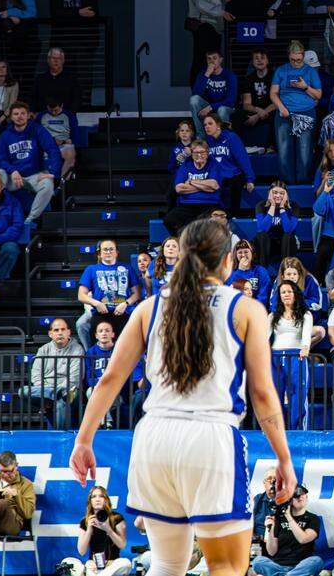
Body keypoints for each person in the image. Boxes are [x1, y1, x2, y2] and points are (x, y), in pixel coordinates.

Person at [70, 219, 297, 576]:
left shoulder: (149, 307)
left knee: (167, 565)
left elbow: (110, 379)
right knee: (226, 565)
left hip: (153, 439)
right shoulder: (246, 309)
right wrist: (283, 458)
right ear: (227, 261)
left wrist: (84, 440)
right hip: (209, 438)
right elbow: (263, 394)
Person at [0, 101, 62, 224]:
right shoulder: (5, 135)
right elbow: (1, 159)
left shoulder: (38, 130)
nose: (19, 116)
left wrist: (53, 173)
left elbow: (53, 150)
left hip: (34, 176)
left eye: (23, 113)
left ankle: (30, 219)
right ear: (11, 117)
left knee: (47, 184)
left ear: (28, 115)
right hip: (14, 177)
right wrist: (12, 171)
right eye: (16, 114)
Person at [271, 41, 323, 185]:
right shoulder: (281, 70)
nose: (295, 63)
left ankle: (303, 184)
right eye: (293, 60)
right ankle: (286, 184)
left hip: (306, 113)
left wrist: (305, 87)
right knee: (284, 150)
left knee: (305, 150)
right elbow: (273, 93)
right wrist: (281, 108)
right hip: (285, 114)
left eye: (299, 60)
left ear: (303, 56)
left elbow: (318, 95)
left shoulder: (310, 71)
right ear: (289, 56)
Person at [18, 318, 84, 429]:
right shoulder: (43, 350)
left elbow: (75, 377)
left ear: (68, 332)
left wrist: (59, 391)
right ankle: (54, 395)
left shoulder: (77, 349)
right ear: (50, 334)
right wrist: (49, 392)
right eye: (56, 330)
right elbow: (36, 375)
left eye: (63, 329)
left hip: (69, 390)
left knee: (63, 398)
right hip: (46, 390)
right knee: (23, 391)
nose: (60, 333)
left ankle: (59, 435)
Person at [49, 0, 100, 105]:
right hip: (63, 41)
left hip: (85, 41)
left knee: (85, 76)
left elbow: (91, 12)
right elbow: (56, 13)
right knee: (64, 74)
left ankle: (85, 105)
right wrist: (78, 12)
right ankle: (65, 105)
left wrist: (68, 15)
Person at [76, 239, 140, 347]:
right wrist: (97, 303)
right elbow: (81, 295)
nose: (108, 252)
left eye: (111, 249)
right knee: (100, 347)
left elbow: (137, 293)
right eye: (105, 249)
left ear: (117, 252)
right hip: (101, 313)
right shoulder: (91, 269)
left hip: (122, 313)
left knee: (123, 347)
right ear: (99, 253)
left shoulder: (127, 268)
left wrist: (126, 304)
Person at [270, 280, 317, 426]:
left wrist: (305, 347)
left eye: (289, 291)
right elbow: (264, 338)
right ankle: (276, 428)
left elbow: (306, 336)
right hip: (275, 357)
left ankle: (297, 429)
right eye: (283, 292)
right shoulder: (272, 315)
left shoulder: (305, 314)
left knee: (298, 393)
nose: (286, 294)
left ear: (295, 293)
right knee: (275, 393)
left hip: (297, 356)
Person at [59, 485, 132, 576]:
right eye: (94, 496)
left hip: (113, 566)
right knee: (67, 562)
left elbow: (122, 545)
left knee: (126, 563)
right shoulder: (85, 521)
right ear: (90, 501)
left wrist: (108, 529)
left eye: (101, 496)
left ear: (106, 500)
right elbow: (81, 551)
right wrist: (89, 529)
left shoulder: (116, 518)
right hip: (93, 565)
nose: (97, 499)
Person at [253, 486, 322, 576]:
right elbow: (271, 551)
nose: (300, 497)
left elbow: (303, 539)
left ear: (306, 497)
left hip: (302, 565)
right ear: (289, 500)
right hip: (278, 565)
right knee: (257, 561)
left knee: (316, 561)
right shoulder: (279, 519)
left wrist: (288, 516)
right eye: (296, 496)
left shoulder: (312, 518)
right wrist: (271, 529)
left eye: (303, 495)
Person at [187, 0, 231, 84]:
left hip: (213, 28)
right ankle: (198, 91)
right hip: (205, 26)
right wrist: (221, 12)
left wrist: (224, 1)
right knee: (203, 61)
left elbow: (211, 4)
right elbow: (201, 3)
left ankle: (207, 89)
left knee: (211, 62)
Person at [164, 141, 222, 236]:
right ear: (191, 153)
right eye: (196, 152)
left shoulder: (214, 165)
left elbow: (214, 185)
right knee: (168, 220)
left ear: (207, 153)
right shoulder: (186, 166)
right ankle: (183, 240)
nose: (199, 155)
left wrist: (191, 182)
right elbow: (179, 188)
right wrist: (204, 186)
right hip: (187, 205)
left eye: (202, 152)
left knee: (210, 224)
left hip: (209, 204)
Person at [202, 113, 255, 212]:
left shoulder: (231, 137)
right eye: (205, 125)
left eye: (210, 123)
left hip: (234, 175)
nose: (207, 127)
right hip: (218, 176)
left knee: (231, 188)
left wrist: (250, 179)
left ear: (218, 125)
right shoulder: (207, 141)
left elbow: (243, 159)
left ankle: (232, 215)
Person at [191, 51, 238, 139]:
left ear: (220, 60)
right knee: (194, 100)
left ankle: (223, 139)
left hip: (226, 107)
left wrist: (211, 107)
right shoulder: (203, 74)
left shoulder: (230, 76)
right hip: (208, 106)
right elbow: (196, 94)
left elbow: (231, 101)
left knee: (222, 110)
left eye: (214, 58)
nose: (211, 61)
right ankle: (201, 138)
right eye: (209, 59)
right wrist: (207, 75)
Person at [236, 49, 276, 150]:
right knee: (237, 115)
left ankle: (272, 147)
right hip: (255, 109)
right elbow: (246, 104)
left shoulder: (274, 77)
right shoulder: (249, 78)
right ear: (253, 62)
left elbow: (277, 102)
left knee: (278, 115)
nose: (259, 61)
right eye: (256, 58)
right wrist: (258, 111)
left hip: (270, 109)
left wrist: (258, 116)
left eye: (262, 58)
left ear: (267, 61)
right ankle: (238, 147)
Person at [254, 183, 299, 269]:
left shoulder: (293, 206)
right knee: (261, 235)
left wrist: (282, 207)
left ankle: (287, 270)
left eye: (282, 193)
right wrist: (273, 206)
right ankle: (262, 271)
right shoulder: (261, 206)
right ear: (269, 194)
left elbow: (288, 229)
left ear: (286, 195)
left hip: (286, 244)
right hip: (268, 244)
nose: (278, 196)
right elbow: (263, 228)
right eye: (275, 193)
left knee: (288, 235)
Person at [31, 47, 83, 114]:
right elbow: (32, 99)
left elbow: (77, 100)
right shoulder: (40, 79)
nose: (56, 61)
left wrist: (68, 113)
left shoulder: (72, 79)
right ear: (48, 60)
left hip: (66, 117)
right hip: (44, 116)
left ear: (63, 60)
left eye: (59, 58)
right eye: (53, 58)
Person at [38, 96, 79, 177]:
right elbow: (36, 133)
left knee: (71, 156)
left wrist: (68, 141)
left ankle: (63, 180)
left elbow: (76, 135)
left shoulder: (69, 116)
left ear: (61, 106)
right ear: (47, 107)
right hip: (46, 144)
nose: (53, 113)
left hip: (64, 144)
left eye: (56, 110)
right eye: (51, 110)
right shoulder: (41, 116)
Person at [226, 240, 271, 305]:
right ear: (236, 255)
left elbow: (263, 296)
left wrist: (251, 307)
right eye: (240, 252)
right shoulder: (230, 273)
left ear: (252, 253)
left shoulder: (261, 271)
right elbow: (228, 291)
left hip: (256, 307)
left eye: (246, 252)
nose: (243, 255)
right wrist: (240, 271)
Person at [253, 469, 279, 542]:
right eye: (269, 478)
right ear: (264, 483)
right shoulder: (257, 499)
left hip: (280, 543)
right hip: (259, 543)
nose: (272, 482)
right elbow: (248, 524)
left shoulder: (287, 501)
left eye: (275, 479)